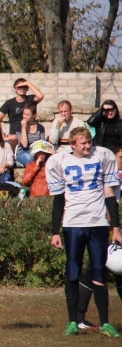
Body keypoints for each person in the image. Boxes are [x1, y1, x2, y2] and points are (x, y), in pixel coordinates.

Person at [46, 127, 122, 337]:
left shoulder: (102, 156)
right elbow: (58, 200)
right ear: (72, 145)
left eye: (89, 142)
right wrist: (55, 231)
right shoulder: (61, 161)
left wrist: (116, 228)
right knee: (73, 270)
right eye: (83, 143)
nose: (88, 146)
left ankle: (105, 323)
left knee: (98, 271)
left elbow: (109, 194)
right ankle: (73, 321)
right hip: (73, 223)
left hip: (98, 222)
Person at [0, 78, 44, 142]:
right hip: (15, 135)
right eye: (19, 87)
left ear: (27, 88)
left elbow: (40, 96)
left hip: (30, 134)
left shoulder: (30, 99)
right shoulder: (9, 103)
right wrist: (3, 137)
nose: (22, 89)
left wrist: (27, 83)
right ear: (15, 89)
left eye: (24, 87)